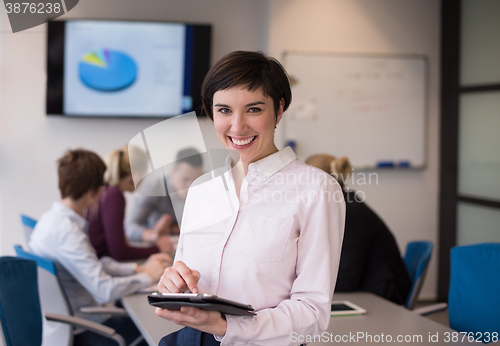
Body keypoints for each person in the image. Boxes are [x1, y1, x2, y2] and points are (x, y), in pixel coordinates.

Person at [155, 51, 346, 346]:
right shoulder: (202, 189)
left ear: (279, 110)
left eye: (254, 109)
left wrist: (227, 326)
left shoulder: (316, 189)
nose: (238, 126)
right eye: (224, 110)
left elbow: (312, 314)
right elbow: (186, 277)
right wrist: (173, 284)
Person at [29, 149, 171, 345]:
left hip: (69, 323)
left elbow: (95, 264)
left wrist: (137, 269)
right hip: (87, 328)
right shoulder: (68, 233)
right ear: (91, 194)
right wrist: (147, 276)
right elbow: (103, 290)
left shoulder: (49, 221)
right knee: (162, 329)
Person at [305, 154, 412, 305]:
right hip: (368, 288)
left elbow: (346, 279)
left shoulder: (350, 212)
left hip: (384, 296)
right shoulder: (342, 205)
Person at [86, 146, 173, 261]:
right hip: (102, 263)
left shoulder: (104, 190)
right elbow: (119, 253)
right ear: (134, 177)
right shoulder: (114, 195)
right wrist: (157, 248)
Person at [125, 147, 204, 245]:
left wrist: (173, 229)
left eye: (196, 180)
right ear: (173, 172)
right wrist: (155, 235)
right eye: (185, 179)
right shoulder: (153, 189)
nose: (191, 186)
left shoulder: (206, 186)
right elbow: (130, 227)